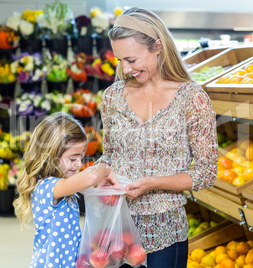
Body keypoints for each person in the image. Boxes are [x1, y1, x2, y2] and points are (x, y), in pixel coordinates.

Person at [96, 7, 218, 268]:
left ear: (158, 46)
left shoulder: (191, 98)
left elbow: (206, 173)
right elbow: (109, 155)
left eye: (131, 59)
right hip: (117, 227)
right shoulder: (112, 98)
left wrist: (153, 183)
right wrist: (100, 173)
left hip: (165, 230)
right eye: (119, 60)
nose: (125, 68)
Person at [13, 112, 116, 268]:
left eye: (81, 157)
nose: (79, 163)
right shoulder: (47, 187)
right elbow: (88, 178)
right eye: (73, 158)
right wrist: (105, 168)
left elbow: (87, 184)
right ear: (51, 156)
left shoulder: (64, 185)